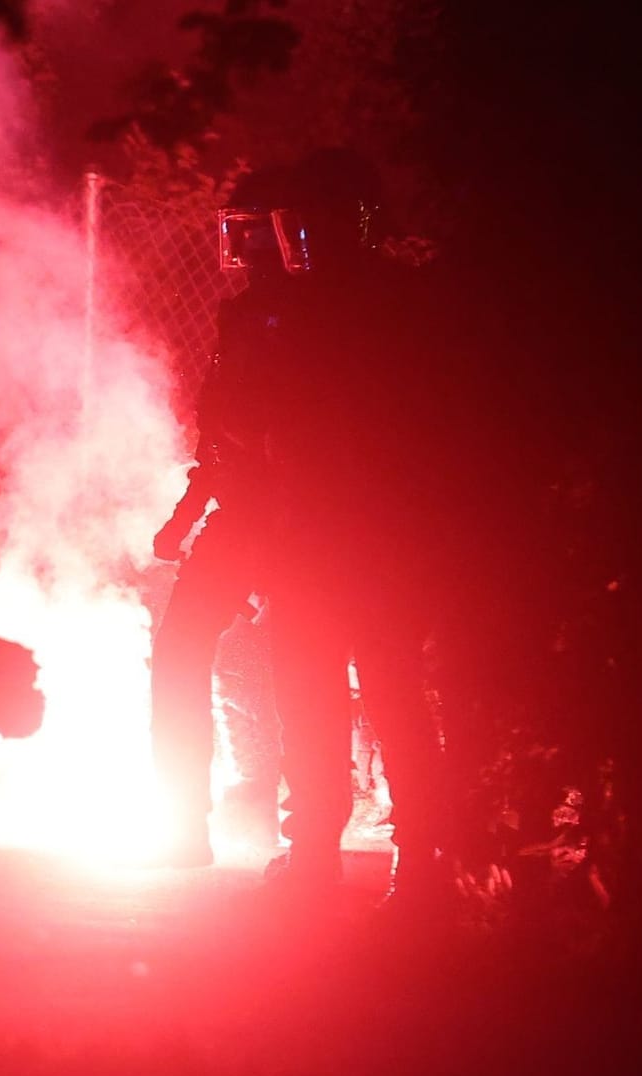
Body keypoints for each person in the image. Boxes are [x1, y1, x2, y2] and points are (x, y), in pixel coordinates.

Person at [238, 152, 461, 904]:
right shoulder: (397, 304)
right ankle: (413, 857)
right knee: (371, 690)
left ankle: (343, 857)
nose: (301, 239)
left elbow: (272, 425)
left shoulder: (307, 313)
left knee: (329, 692)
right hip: (359, 534)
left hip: (341, 532)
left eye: (313, 223)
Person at [146, 168, 295, 866]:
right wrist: (188, 514)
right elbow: (220, 439)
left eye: (249, 229)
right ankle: (182, 823)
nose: (239, 245)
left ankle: (307, 833)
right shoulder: (241, 318)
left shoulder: (319, 320)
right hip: (246, 517)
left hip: (306, 520)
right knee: (181, 649)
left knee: (309, 660)